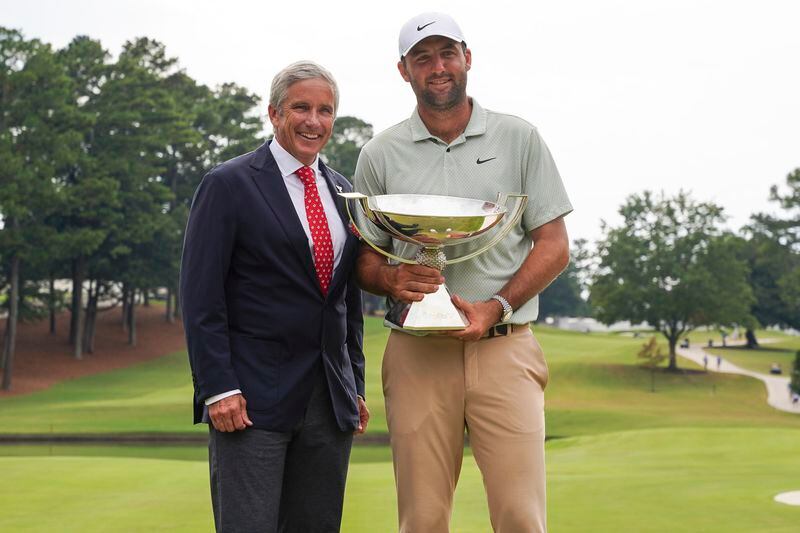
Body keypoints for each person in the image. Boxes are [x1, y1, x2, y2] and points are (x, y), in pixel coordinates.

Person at [354, 12, 572, 533]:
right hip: (417, 354)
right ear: (403, 70)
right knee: (422, 520)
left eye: (447, 53)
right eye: (422, 58)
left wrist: (497, 305)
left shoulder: (519, 138)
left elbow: (554, 245)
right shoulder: (379, 152)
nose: (438, 67)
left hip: (504, 344)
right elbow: (365, 256)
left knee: (522, 519)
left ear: (467, 58)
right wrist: (389, 280)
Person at [180, 61, 369, 533]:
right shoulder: (228, 184)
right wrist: (218, 388)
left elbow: (345, 302)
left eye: (325, 110)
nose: (313, 120)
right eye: (300, 107)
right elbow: (201, 298)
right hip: (250, 403)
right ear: (274, 113)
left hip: (328, 404)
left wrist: (354, 386)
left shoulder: (344, 192)